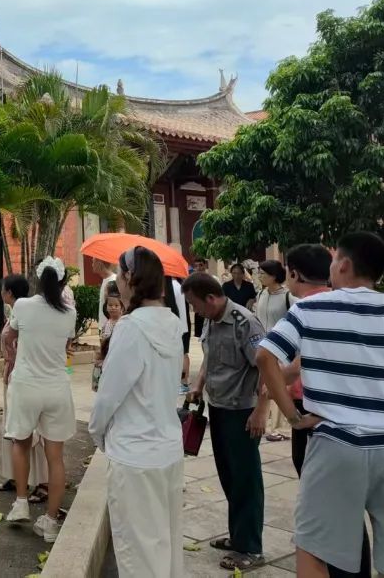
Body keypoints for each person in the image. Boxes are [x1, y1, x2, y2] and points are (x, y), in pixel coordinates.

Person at [257, 232, 384, 578]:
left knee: (315, 552)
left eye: (334, 260)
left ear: (344, 265)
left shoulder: (311, 309)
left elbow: (265, 356)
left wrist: (293, 417)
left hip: (336, 445)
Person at [274, 243, 371, 578]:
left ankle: (337, 566)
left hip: (316, 413)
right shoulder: (342, 303)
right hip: (343, 411)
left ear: (293, 274)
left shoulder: (311, 308)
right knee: (344, 500)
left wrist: (278, 383)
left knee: (326, 501)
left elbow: (291, 361)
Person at [89, 247, 185, 577]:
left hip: (134, 454)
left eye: (120, 274)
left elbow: (108, 396)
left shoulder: (130, 328)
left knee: (138, 553)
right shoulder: (172, 324)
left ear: (130, 277)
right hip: (168, 448)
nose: (117, 282)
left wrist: (98, 433)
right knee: (165, 545)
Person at [182, 272, 268, 572]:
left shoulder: (245, 323)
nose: (195, 311)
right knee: (229, 476)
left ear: (211, 298)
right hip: (218, 407)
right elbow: (210, 356)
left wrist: (261, 411)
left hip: (242, 412)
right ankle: (239, 535)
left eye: (195, 305)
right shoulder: (212, 320)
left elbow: (267, 367)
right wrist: (198, 384)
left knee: (246, 479)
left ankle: (251, 548)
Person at [3, 256, 76, 544]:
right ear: (62, 282)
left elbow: (9, 335)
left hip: (27, 386)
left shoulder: (22, 306)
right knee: (55, 457)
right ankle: (51, 521)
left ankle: (21, 502)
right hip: (57, 388)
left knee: (20, 443)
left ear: (38, 279)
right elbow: (65, 345)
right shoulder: (69, 314)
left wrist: (12, 353)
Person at [0, 274, 49, 502]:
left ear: (9, 293)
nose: (1, 293)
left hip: (25, 376)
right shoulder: (14, 313)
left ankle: (42, 481)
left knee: (32, 430)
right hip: (11, 374)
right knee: (11, 427)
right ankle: (15, 475)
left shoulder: (26, 313)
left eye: (3, 289)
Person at [254, 259, 295, 442]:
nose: (260, 276)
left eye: (263, 273)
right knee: (264, 386)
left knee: (277, 385)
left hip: (281, 348)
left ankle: (280, 428)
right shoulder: (261, 293)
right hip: (263, 346)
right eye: (259, 273)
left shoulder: (288, 296)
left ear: (274, 276)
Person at [92, 281, 123, 391]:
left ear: (122, 308)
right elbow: (103, 340)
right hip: (107, 356)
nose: (113, 308)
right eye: (110, 305)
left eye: (116, 305)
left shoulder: (123, 323)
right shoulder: (106, 324)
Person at [93, 258, 117, 332]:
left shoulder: (113, 280)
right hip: (104, 326)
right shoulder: (105, 279)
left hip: (110, 328)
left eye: (93, 262)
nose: (92, 265)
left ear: (100, 264)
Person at [192, 259, 209, 338]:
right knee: (200, 336)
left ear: (205, 265)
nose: (199, 268)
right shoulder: (192, 280)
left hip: (210, 310)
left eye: (201, 265)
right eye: (196, 266)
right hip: (199, 310)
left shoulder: (212, 279)